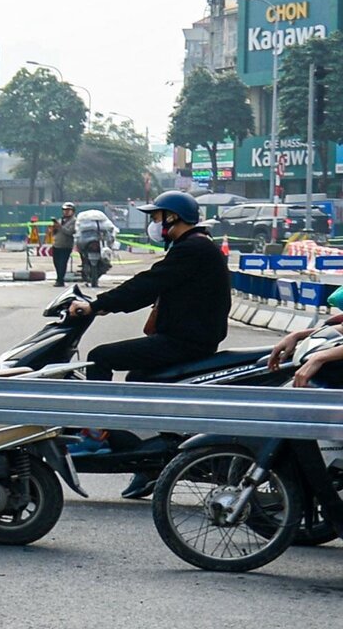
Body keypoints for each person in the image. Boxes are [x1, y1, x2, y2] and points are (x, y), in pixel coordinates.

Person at [67, 190, 231, 499]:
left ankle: (95, 432)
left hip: (185, 342)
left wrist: (96, 305)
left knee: (99, 358)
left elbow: (147, 284)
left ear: (172, 218)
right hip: (186, 338)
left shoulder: (193, 249)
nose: (153, 224)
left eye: (156, 217)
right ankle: (150, 462)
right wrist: (102, 305)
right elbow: (153, 287)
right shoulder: (194, 246)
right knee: (137, 378)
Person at [50, 202, 77, 287]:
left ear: (72, 211)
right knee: (56, 263)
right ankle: (58, 277)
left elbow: (70, 232)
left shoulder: (74, 221)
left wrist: (60, 227)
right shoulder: (60, 220)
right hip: (57, 244)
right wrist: (54, 227)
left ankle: (60, 280)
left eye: (68, 210)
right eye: (64, 210)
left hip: (66, 245)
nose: (66, 212)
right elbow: (55, 232)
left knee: (62, 263)